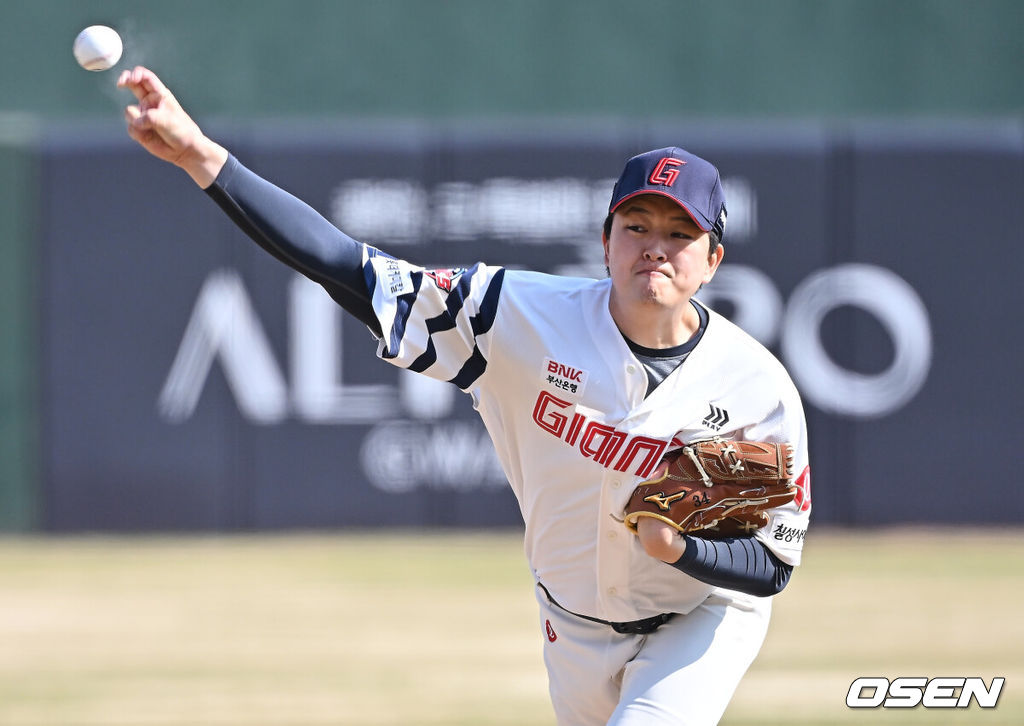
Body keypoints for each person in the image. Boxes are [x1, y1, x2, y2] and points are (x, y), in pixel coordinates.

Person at [118, 66, 811, 726]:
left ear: (713, 258)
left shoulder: (753, 389)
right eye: (637, 227)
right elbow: (350, 269)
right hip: (571, 621)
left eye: (679, 233)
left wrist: (679, 550)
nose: (654, 247)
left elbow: (772, 564)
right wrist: (202, 159)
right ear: (605, 242)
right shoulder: (518, 316)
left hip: (701, 617)